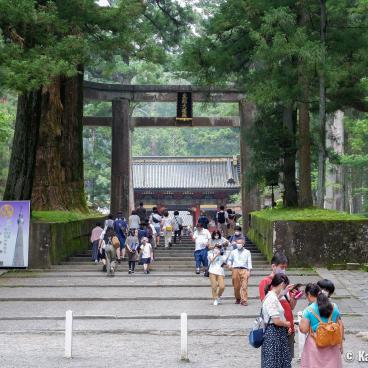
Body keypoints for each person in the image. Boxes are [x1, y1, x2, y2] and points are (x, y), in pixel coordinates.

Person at [259, 252, 297, 359]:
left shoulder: (285, 281)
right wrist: (283, 292)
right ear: (273, 266)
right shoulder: (265, 282)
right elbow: (266, 304)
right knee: (274, 359)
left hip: (289, 325)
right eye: (282, 267)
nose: (284, 269)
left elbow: (292, 306)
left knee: (287, 359)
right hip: (276, 328)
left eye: (285, 267)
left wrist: (294, 297)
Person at [299, 283, 343, 368]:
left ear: (308, 294)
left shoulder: (308, 310)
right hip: (332, 342)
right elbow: (338, 323)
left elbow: (304, 330)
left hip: (315, 343)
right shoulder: (334, 306)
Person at [261, 273, 292, 368]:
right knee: (274, 362)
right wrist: (287, 324)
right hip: (273, 334)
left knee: (277, 361)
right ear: (282, 284)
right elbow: (276, 321)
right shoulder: (271, 298)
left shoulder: (272, 296)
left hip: (277, 333)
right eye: (284, 286)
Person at [227, 239, 252, 306]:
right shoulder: (233, 252)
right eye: (237, 243)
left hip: (244, 269)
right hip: (235, 269)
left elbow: (249, 262)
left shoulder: (247, 252)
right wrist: (229, 265)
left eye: (240, 243)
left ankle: (244, 300)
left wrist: (249, 271)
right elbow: (229, 260)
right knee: (236, 286)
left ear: (243, 244)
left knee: (244, 286)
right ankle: (238, 298)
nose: (238, 244)